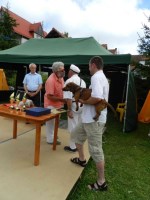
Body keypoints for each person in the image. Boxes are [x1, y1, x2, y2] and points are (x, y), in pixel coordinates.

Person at [70, 56, 109, 191]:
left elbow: (97, 97)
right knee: (75, 135)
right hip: (87, 119)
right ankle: (82, 159)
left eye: (89, 65)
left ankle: (101, 182)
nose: (88, 68)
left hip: (94, 120)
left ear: (93, 65)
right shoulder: (101, 77)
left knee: (95, 150)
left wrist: (83, 101)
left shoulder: (96, 77)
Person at [63, 64, 86, 153]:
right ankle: (78, 144)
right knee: (78, 125)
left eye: (69, 71)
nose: (68, 72)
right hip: (82, 105)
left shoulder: (69, 81)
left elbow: (68, 98)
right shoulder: (82, 81)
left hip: (73, 105)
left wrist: (69, 110)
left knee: (72, 126)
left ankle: (73, 147)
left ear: (71, 72)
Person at [44, 61, 65, 145]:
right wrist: (62, 100)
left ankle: (53, 135)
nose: (64, 71)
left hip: (58, 104)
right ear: (56, 70)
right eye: (61, 69)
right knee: (50, 123)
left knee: (56, 121)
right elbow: (49, 96)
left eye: (63, 69)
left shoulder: (61, 77)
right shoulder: (50, 80)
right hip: (51, 105)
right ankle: (50, 139)